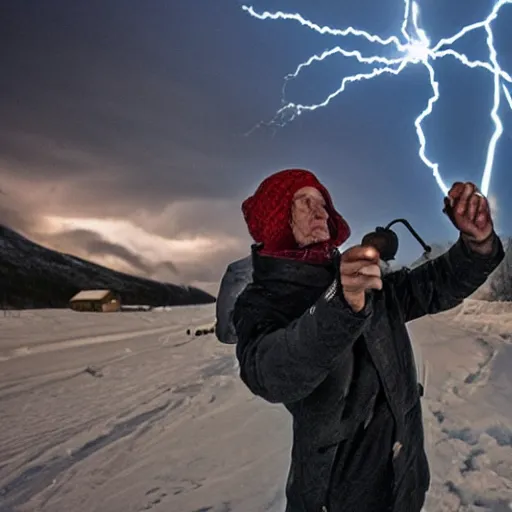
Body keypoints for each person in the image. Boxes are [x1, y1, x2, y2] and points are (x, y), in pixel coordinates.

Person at [230, 168, 504, 512]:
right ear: (276, 217)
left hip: (403, 477)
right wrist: (339, 305)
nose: (321, 212)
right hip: (336, 495)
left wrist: (477, 245)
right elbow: (271, 374)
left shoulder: (361, 275)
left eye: (324, 204)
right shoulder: (262, 300)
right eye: (304, 202)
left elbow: (432, 286)